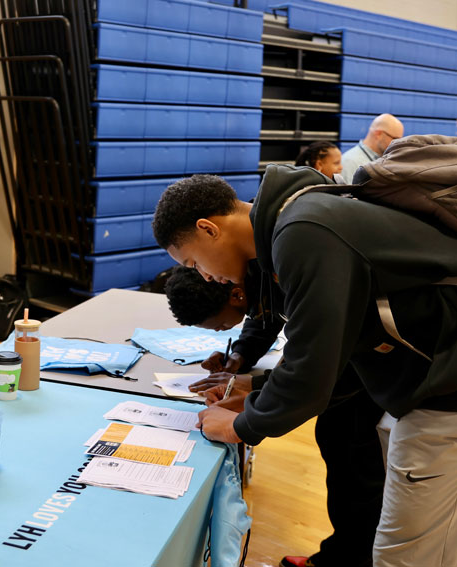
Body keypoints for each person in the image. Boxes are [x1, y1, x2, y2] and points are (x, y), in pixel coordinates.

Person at [152, 172, 457, 566]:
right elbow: (334, 358)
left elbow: (310, 369)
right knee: (433, 536)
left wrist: (241, 426)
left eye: (194, 262)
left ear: (208, 229)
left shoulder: (302, 231)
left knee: (401, 554)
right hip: (428, 381)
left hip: (443, 387)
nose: (205, 275)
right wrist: (259, 399)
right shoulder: (292, 222)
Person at [166, 265, 385, 567]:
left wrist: (251, 398)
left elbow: (313, 372)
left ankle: (353, 558)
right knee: (338, 448)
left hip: (369, 380)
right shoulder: (254, 276)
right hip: (351, 378)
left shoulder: (292, 270)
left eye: (218, 327)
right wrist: (240, 357)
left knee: (358, 470)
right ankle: (341, 554)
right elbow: (264, 316)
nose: (207, 271)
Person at [341, 114, 404, 183]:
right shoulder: (350, 162)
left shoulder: (388, 160)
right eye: (395, 139)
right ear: (378, 134)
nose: (397, 143)